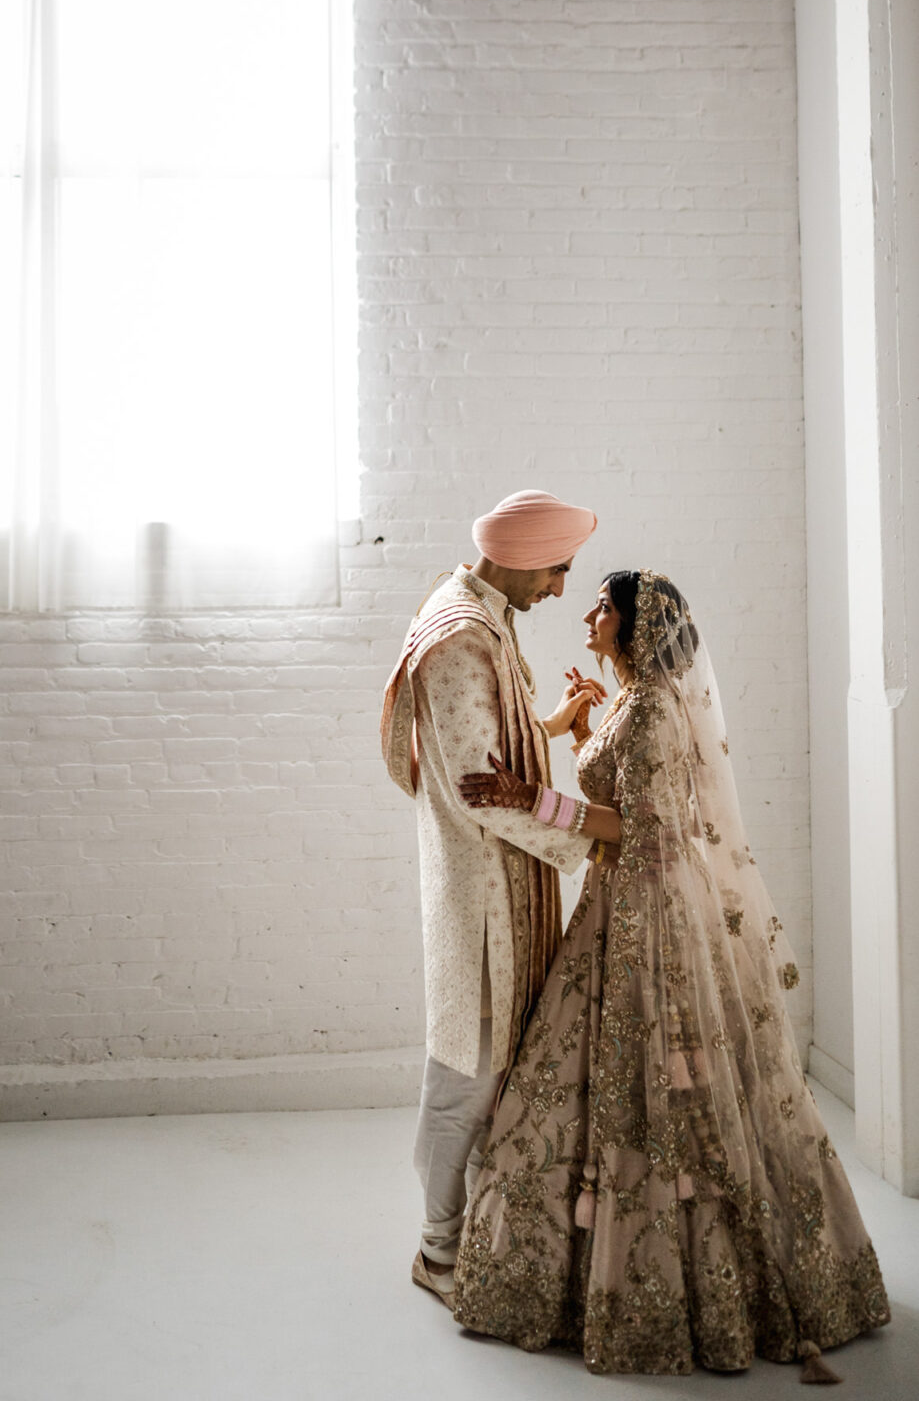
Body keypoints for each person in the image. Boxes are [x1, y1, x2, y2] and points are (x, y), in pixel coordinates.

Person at [453, 570, 890, 1382]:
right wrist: (581, 725)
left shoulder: (652, 707)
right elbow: (622, 790)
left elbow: (636, 825)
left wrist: (527, 796)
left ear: (633, 626)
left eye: (603, 607)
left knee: (662, 1087)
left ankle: (695, 1289)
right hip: (619, 899)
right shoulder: (629, 698)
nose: (588, 612)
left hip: (649, 913)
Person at [380, 489, 618, 1309]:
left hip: (500, 885)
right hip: (482, 901)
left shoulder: (480, 618)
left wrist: (550, 726)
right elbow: (480, 792)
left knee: (490, 1073)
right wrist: (594, 835)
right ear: (520, 561)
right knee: (465, 1082)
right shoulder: (458, 638)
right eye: (556, 570)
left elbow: (485, 751)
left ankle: (476, 1241)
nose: (558, 590)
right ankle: (437, 1255)